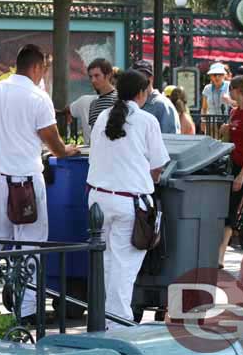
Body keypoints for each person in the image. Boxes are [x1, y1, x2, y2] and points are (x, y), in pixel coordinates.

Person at [0, 44, 78, 323]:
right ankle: (27, 309)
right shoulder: (38, 97)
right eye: (43, 69)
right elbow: (52, 140)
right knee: (30, 242)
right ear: (36, 67)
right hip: (24, 181)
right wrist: (65, 151)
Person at [87, 69, 169, 329]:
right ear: (141, 92)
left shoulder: (102, 117)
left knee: (106, 265)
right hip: (128, 202)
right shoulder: (146, 121)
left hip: (98, 200)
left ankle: (102, 321)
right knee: (123, 270)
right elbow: (158, 166)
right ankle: (118, 327)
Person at [218, 76, 243, 271]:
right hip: (236, 165)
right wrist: (224, 130)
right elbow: (227, 141)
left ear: (237, 90)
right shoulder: (234, 112)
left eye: (231, 89)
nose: (229, 93)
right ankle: (220, 255)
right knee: (229, 210)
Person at [132, 60, 180, 134]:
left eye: (143, 77)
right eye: (136, 78)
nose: (139, 81)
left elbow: (171, 138)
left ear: (151, 78)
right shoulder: (131, 102)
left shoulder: (162, 105)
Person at [201, 62, 234, 136]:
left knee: (225, 145)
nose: (217, 77)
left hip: (227, 124)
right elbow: (204, 108)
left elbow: (238, 104)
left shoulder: (230, 86)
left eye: (220, 74)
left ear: (224, 75)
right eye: (214, 75)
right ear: (210, 76)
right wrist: (203, 121)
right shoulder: (207, 88)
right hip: (211, 124)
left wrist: (229, 100)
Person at [87, 58, 117, 130]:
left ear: (108, 75)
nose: (93, 80)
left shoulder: (119, 99)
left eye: (97, 76)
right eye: (91, 77)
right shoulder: (93, 104)